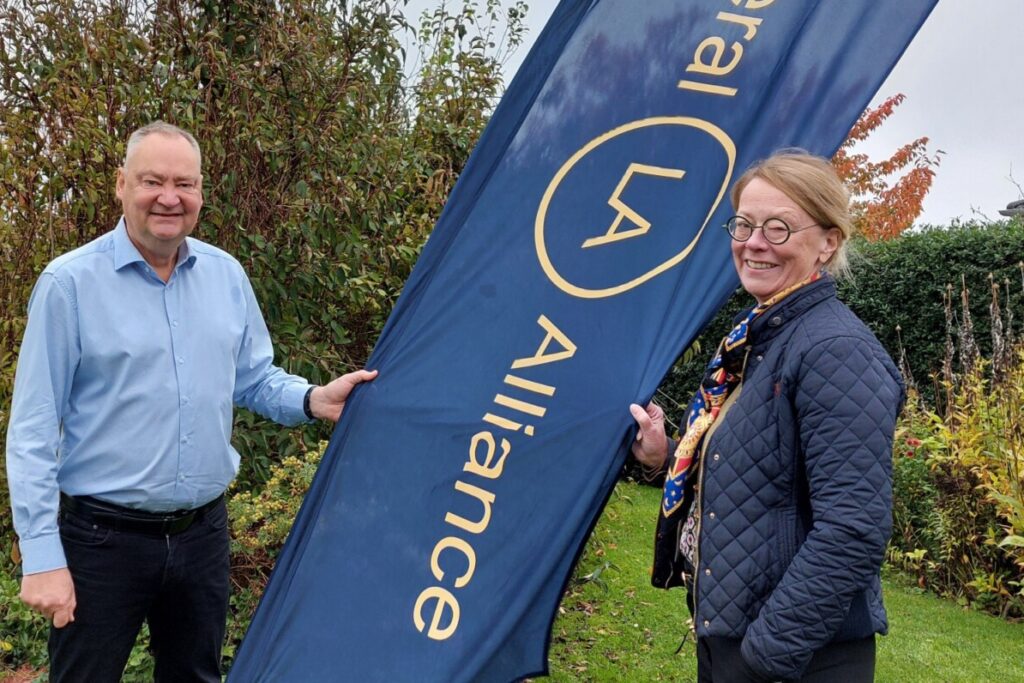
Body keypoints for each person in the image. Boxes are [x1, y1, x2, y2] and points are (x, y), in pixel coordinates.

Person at [6, 121, 377, 682]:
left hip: (203, 537)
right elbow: (33, 429)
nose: (169, 197)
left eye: (185, 183)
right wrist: (41, 555)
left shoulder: (226, 277)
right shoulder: (69, 286)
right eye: (152, 181)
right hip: (101, 544)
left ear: (201, 192)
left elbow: (252, 379)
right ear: (121, 185)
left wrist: (312, 399)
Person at [629, 151, 904, 682]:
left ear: (828, 241)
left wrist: (765, 656)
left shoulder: (835, 351)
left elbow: (854, 529)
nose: (754, 243)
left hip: (794, 658)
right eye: (745, 224)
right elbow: (758, 477)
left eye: (779, 228)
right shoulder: (757, 336)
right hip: (735, 640)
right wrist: (666, 458)